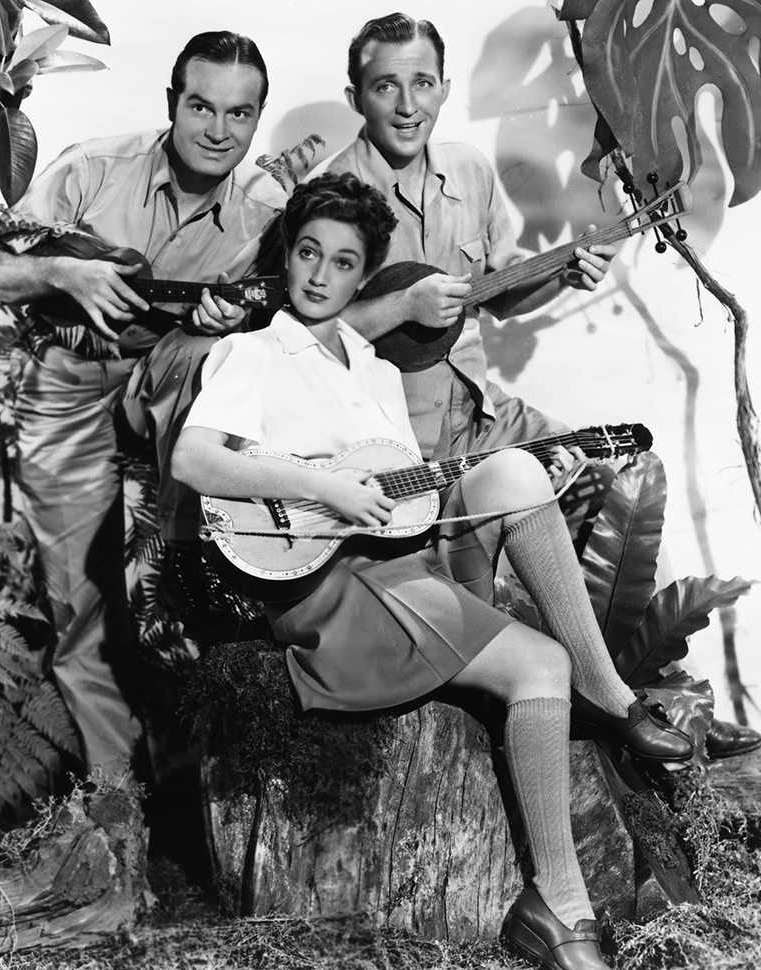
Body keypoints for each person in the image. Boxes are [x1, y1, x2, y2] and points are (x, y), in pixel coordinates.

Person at [172, 173, 693, 970]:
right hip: (328, 587)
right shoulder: (254, 351)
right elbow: (193, 459)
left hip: (400, 561)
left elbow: (406, 502)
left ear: (363, 275)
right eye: (308, 252)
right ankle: (558, 904)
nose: (319, 274)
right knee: (538, 663)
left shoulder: (377, 371)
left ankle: (605, 689)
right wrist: (323, 485)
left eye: (343, 262)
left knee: (515, 469)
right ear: (288, 255)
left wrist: (487, 484)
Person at [320, 11, 759, 762]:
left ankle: (648, 690)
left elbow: (496, 294)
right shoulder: (328, 195)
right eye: (385, 86)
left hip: (484, 414)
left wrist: (562, 276)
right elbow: (299, 337)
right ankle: (597, 701)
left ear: (443, 88)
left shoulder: (467, 172)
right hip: (397, 448)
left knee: (610, 483)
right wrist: (400, 306)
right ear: (355, 95)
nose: (407, 104)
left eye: (422, 83)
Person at [0, 30, 286, 785]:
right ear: (172, 102)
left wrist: (230, 322)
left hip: (169, 388)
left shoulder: (267, 217)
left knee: (182, 592)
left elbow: (292, 321)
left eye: (239, 114)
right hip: (66, 385)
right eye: (201, 107)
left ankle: (191, 790)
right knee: (78, 606)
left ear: (257, 118)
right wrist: (59, 271)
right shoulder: (93, 169)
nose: (218, 130)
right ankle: (113, 796)